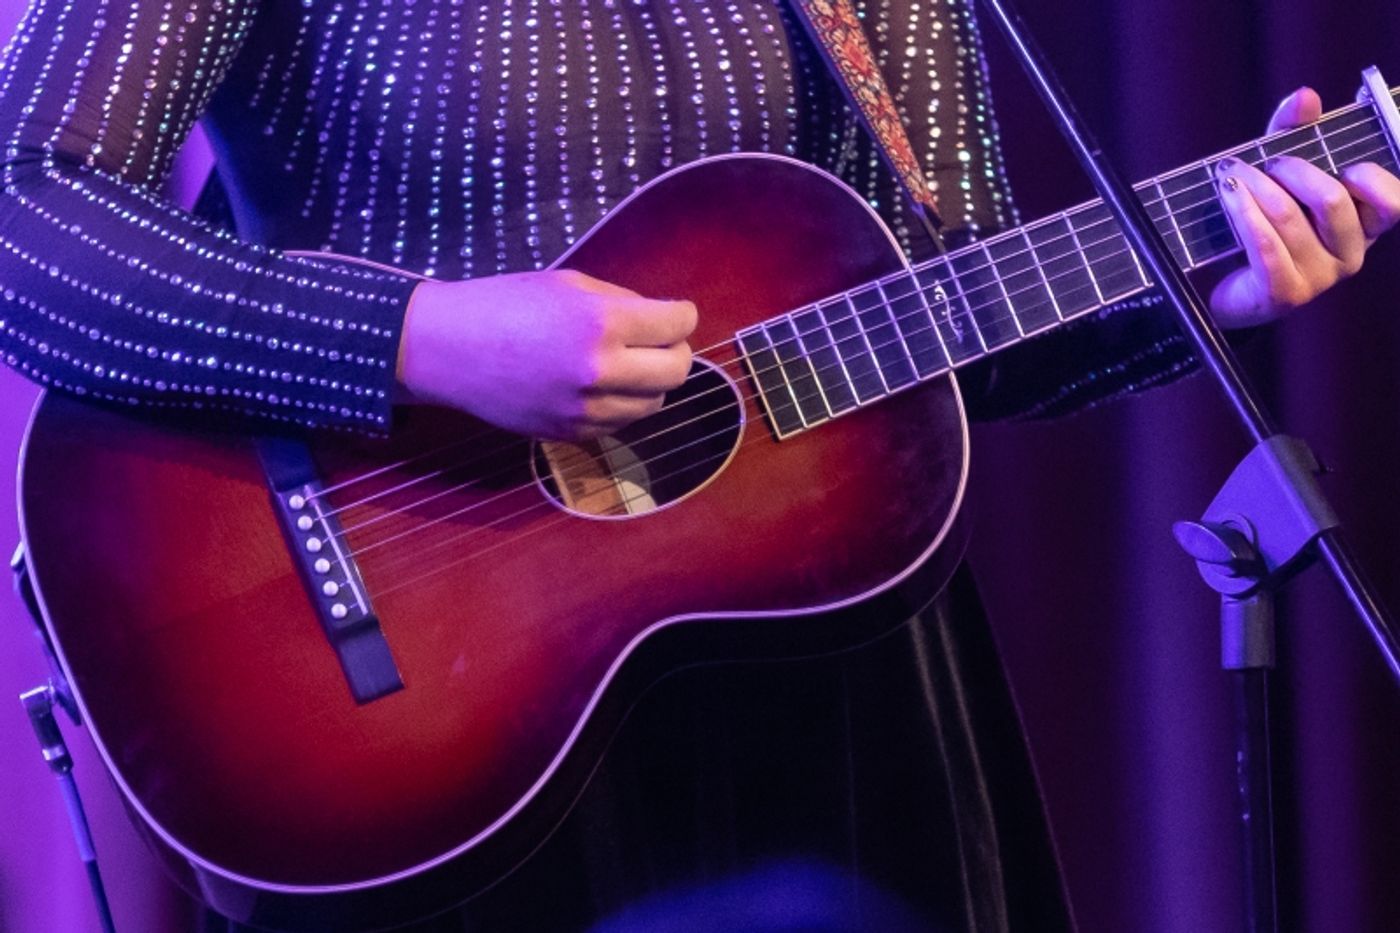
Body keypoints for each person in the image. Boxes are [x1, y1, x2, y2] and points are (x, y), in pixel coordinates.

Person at [1, 1, 1397, 931]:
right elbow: (24, 211)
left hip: (832, 686)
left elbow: (947, 305)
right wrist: (414, 335)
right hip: (415, 702)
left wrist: (1197, 286)